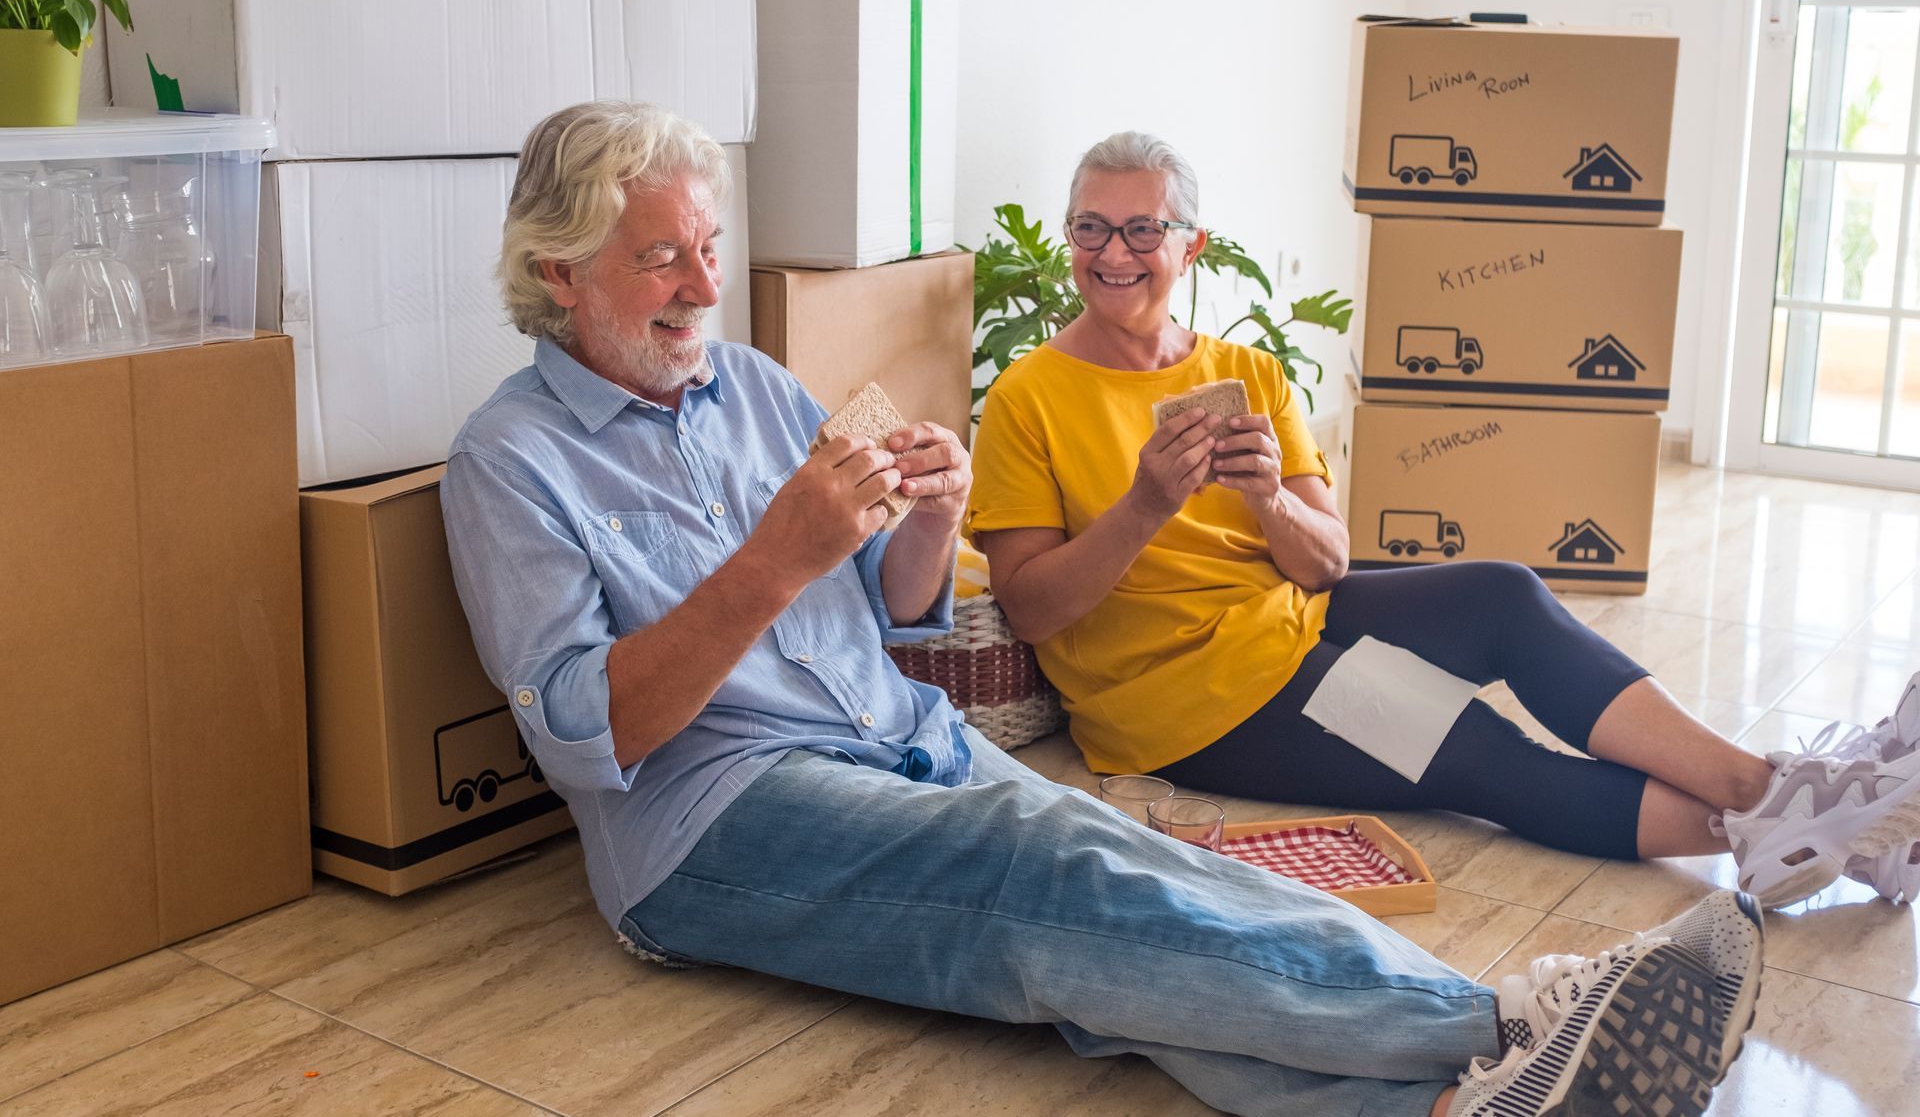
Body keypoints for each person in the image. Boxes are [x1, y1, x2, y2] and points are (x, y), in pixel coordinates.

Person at [441, 100, 1763, 1117]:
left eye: (708, 248)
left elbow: (895, 617)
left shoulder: (756, 387)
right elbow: (582, 737)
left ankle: (1445, 1096)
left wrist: (932, 518)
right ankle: (1501, 1024)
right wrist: (774, 560)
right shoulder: (512, 461)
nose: (701, 285)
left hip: (900, 737)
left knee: (1152, 886)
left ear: (1185, 245)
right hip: (711, 814)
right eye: (661, 256)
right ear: (558, 273)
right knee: (1058, 885)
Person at [968, 130, 1920, 913]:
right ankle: (1793, 812)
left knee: (1504, 593)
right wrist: (1144, 507)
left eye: (1141, 229)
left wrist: (1263, 500)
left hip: (1291, 621)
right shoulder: (1027, 396)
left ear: (1190, 246)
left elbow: (1328, 560)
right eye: (1091, 228)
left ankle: (1783, 806)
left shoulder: (1248, 373)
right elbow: (1033, 609)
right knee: (1470, 748)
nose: (1113, 253)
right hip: (1184, 697)